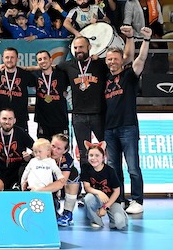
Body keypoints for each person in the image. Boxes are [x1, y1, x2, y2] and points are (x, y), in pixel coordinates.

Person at [56, 29, 134, 166]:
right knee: (83, 153)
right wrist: (27, 69)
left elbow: (126, 58)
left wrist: (129, 38)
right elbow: (48, 68)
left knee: (108, 151)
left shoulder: (101, 63)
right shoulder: (67, 66)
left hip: (99, 114)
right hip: (78, 116)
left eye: (81, 47)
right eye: (75, 48)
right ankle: (87, 179)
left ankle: (108, 178)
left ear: (89, 47)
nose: (78, 50)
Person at [104, 27, 152, 214]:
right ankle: (120, 200)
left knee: (132, 167)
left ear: (122, 60)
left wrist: (146, 40)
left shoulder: (129, 75)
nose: (112, 62)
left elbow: (141, 59)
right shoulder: (106, 79)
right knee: (114, 168)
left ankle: (137, 200)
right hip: (109, 130)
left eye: (116, 59)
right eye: (109, 59)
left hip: (128, 128)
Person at [80, 141, 128, 230]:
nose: (93, 158)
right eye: (91, 155)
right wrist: (99, 193)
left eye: (97, 155)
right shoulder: (86, 168)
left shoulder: (110, 171)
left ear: (103, 157)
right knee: (88, 199)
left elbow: (117, 191)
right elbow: (87, 187)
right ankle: (96, 220)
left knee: (119, 224)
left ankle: (121, 215)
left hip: (111, 200)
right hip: (97, 198)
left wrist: (105, 207)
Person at [0, 109, 34, 190]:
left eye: (10, 119)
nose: (7, 122)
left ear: (14, 120)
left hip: (17, 174)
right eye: (4, 118)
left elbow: (36, 149)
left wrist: (30, 157)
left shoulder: (21, 133)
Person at [0, 47, 35, 132]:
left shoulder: (25, 74)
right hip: (1, 118)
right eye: (7, 57)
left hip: (20, 118)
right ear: (2, 59)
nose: (9, 60)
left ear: (17, 59)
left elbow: (42, 73)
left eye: (12, 57)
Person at [33, 50, 69, 140]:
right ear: (37, 63)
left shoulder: (62, 74)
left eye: (45, 58)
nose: (43, 61)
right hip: (43, 121)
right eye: (40, 59)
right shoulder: (34, 75)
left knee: (61, 147)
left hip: (60, 120)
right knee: (43, 147)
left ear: (51, 60)